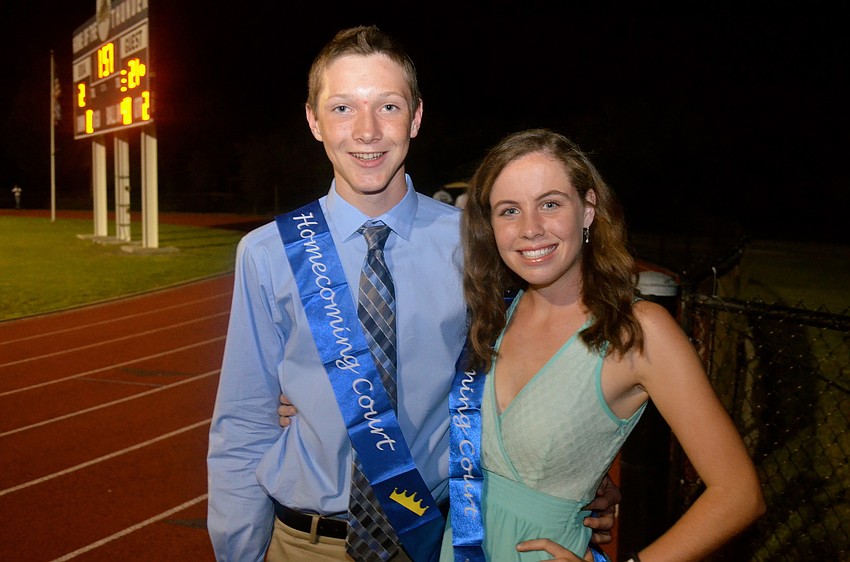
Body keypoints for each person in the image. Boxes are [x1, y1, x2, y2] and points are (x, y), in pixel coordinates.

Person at [208, 26, 618, 562]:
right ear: (313, 121)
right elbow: (243, 421)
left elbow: (538, 366)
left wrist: (574, 479)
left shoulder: (476, 242)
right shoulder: (267, 253)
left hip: (435, 538)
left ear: (416, 117)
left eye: (389, 106)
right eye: (341, 109)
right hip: (306, 542)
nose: (367, 131)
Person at [439, 128, 765, 561]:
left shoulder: (637, 330)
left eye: (550, 204)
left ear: (588, 209)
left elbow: (739, 494)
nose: (530, 229)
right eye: (509, 211)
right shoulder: (493, 314)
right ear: (490, 224)